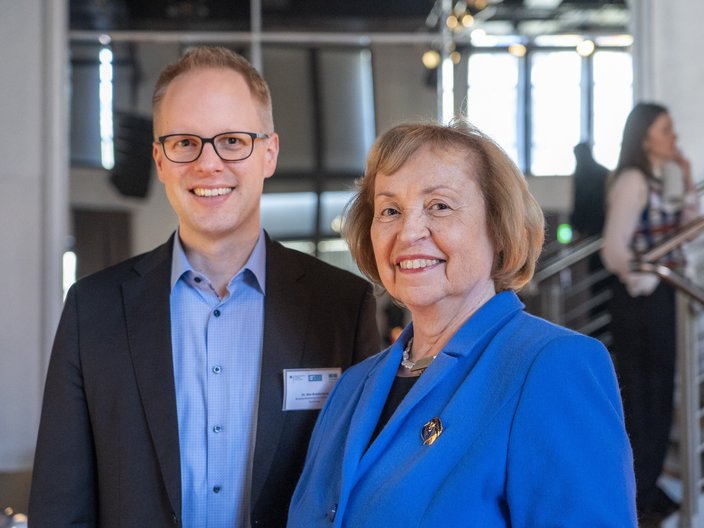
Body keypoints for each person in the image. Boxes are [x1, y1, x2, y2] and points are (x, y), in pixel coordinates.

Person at [28, 46, 380, 527]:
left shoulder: (341, 305)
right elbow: (59, 507)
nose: (208, 163)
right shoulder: (93, 310)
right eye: (184, 142)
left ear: (269, 153)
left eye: (232, 140)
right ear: (159, 158)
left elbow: (363, 491)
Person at [288, 119, 637, 527]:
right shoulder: (353, 387)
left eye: (439, 205)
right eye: (390, 210)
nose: (408, 231)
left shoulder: (552, 366)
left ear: (499, 229)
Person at [601, 102, 698, 525]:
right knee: (645, 403)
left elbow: (686, 231)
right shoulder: (633, 180)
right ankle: (634, 498)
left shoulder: (659, 178)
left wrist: (688, 171)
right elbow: (613, 250)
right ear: (645, 137)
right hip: (640, 302)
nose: (672, 134)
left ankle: (646, 488)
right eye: (665, 128)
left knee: (658, 400)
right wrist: (649, 277)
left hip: (658, 298)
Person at [570, 141, 609, 240]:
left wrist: (576, 223)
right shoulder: (603, 171)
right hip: (603, 219)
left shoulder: (581, 174)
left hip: (591, 220)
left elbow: (579, 200)